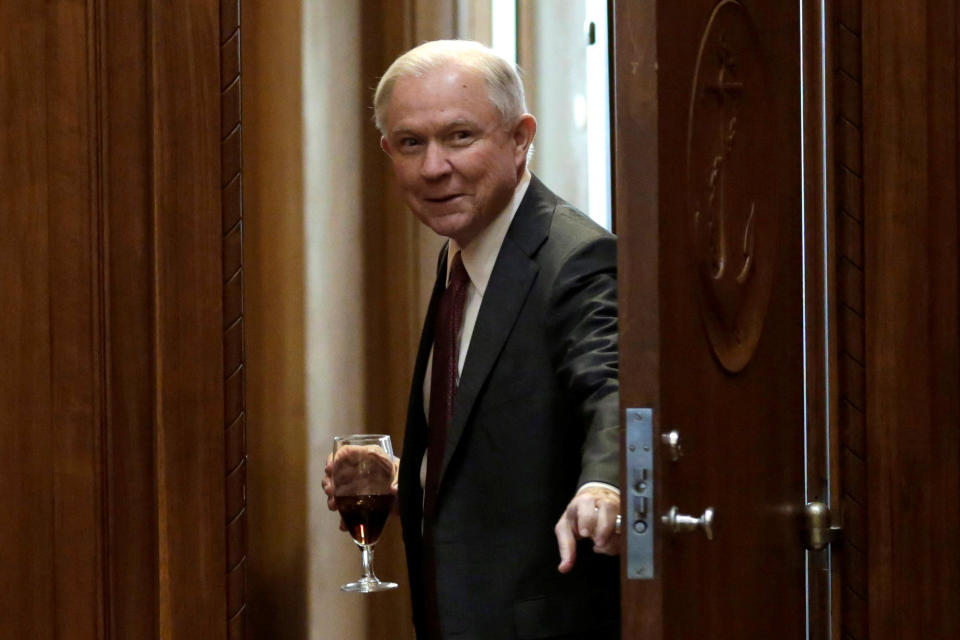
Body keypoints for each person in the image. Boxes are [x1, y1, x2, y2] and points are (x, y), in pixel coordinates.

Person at [324, 39, 620, 639]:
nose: (434, 167)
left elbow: (613, 386)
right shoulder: (463, 254)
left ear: (520, 138)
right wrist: (413, 476)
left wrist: (605, 482)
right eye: (412, 143)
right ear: (388, 151)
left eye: (460, 136)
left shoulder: (574, 257)